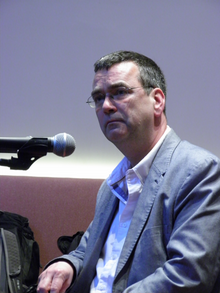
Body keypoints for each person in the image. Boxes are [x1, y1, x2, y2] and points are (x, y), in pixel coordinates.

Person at [37, 51, 220, 293]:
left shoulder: (199, 171)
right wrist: (67, 263)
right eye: (99, 98)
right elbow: (89, 249)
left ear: (157, 100)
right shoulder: (113, 182)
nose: (107, 106)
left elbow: (188, 274)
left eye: (119, 92)